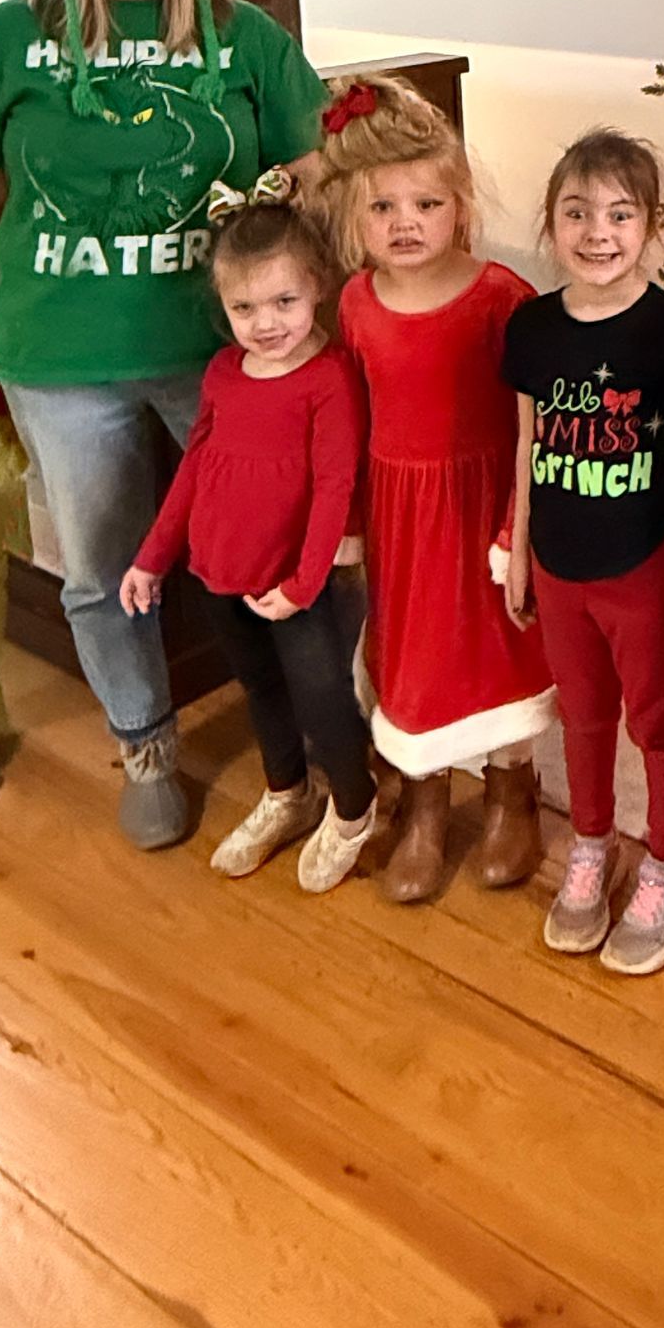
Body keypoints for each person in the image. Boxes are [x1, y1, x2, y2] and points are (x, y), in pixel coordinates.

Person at [0, 0, 330, 846]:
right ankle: (146, 742)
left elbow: (314, 176)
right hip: (59, 354)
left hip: (223, 350)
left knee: (267, 544)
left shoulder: (243, 34)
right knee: (103, 568)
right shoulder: (13, 36)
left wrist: (316, 319)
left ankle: (313, 742)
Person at [322, 76, 555, 902]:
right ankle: (423, 793)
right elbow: (351, 418)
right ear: (353, 216)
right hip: (402, 515)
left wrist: (520, 530)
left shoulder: (501, 300)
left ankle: (511, 787)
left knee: (498, 647)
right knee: (414, 652)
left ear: (460, 207)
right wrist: (349, 522)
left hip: (484, 505)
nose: (406, 223)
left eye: (426, 204)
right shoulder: (356, 304)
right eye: (383, 207)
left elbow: (540, 426)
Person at [503, 129, 664, 974]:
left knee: (658, 716)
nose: (598, 232)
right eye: (578, 213)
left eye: (620, 214)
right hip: (559, 570)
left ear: (651, 226)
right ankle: (593, 843)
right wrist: (519, 550)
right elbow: (526, 445)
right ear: (551, 222)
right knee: (584, 713)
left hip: (643, 568)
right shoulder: (531, 329)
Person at [121, 184, 376, 892]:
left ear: (317, 286)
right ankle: (287, 792)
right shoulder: (223, 372)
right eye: (245, 308)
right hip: (218, 571)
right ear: (224, 305)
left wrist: (303, 585)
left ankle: (354, 806)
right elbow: (195, 467)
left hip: (294, 582)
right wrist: (152, 557)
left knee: (322, 698)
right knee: (261, 688)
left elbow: (335, 489)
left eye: (284, 302)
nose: (265, 324)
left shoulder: (329, 379)